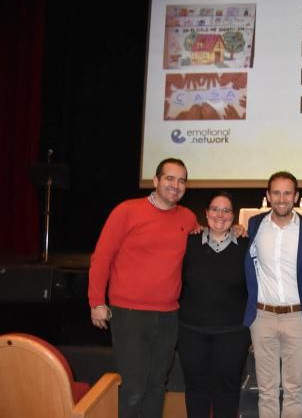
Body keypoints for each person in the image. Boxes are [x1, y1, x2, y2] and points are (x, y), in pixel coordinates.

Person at [88, 157, 198, 418]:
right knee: (134, 387)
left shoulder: (188, 217)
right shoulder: (127, 211)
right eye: (170, 178)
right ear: (156, 181)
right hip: (129, 314)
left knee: (157, 386)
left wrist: (236, 230)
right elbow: (101, 257)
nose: (175, 185)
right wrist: (96, 302)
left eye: (181, 180)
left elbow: (207, 241)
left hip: (169, 315)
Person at [243, 171, 302, 418]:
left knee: (293, 390)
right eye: (276, 192)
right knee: (266, 390)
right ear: (267, 195)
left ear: (296, 196)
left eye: (287, 193)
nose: (281, 198)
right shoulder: (254, 225)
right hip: (262, 317)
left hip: (296, 318)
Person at [178, 191, 251, 418]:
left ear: (234, 216)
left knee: (227, 391)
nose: (220, 215)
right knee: (195, 389)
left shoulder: (246, 246)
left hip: (233, 333)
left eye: (226, 210)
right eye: (215, 209)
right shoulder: (188, 242)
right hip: (191, 332)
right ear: (206, 213)